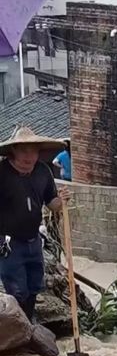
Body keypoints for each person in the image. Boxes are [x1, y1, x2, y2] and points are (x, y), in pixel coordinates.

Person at [0, 125, 69, 322]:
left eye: (33, 150)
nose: (28, 156)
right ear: (13, 151)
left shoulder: (43, 172)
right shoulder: (2, 173)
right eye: (23, 150)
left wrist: (62, 201)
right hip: (8, 241)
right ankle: (20, 326)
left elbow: (52, 203)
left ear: (39, 151)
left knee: (34, 287)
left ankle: (28, 323)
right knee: (17, 289)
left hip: (33, 239)